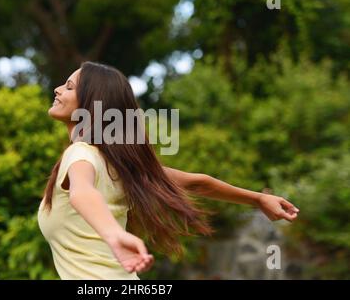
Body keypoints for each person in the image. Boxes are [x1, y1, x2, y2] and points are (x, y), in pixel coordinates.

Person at [37, 61, 300, 280]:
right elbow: (197, 183)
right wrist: (257, 199)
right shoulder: (118, 166)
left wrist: (115, 235)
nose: (58, 89)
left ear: (92, 104)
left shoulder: (81, 154)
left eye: (69, 86)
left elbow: (82, 193)